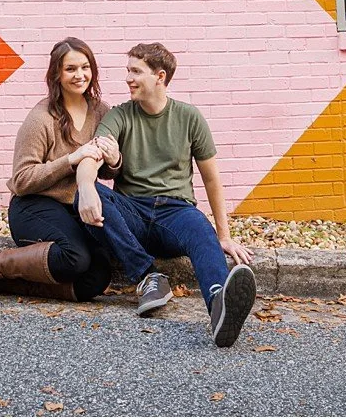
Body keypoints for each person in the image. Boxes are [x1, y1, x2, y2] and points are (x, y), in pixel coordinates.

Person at [75, 42, 257, 348]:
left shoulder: (189, 117)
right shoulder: (120, 116)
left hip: (176, 213)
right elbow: (91, 158)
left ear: (160, 76)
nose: (128, 78)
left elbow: (211, 179)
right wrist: (86, 188)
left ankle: (218, 304)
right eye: (128, 71)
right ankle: (149, 277)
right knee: (90, 195)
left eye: (136, 71)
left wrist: (223, 235)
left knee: (201, 228)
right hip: (131, 211)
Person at [0, 37, 114, 303]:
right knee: (75, 258)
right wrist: (70, 159)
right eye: (70, 69)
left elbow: (106, 172)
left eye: (85, 67)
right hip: (33, 206)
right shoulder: (42, 117)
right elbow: (22, 179)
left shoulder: (100, 111)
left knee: (97, 275)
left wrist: (114, 160)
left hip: (72, 207)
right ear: (56, 74)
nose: (80, 75)